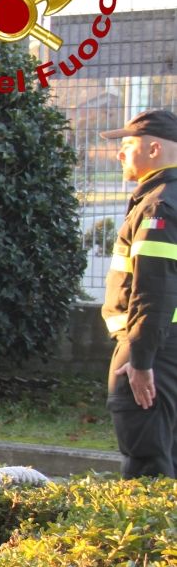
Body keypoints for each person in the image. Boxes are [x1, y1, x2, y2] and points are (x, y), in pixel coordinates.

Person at [99, 109, 177, 478]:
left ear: (154, 149)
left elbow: (154, 289)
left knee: (147, 464)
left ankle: (149, 536)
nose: (120, 153)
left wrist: (141, 360)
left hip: (151, 350)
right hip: (166, 347)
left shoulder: (158, 206)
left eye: (128, 144)